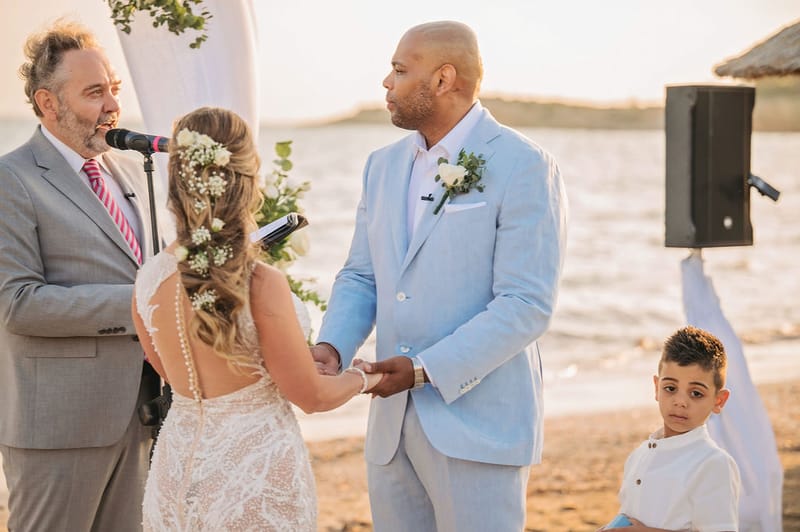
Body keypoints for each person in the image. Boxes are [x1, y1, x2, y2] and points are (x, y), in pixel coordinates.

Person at [312, 20, 568, 530]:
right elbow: (363, 275)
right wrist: (332, 349)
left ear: (443, 79)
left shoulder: (523, 165)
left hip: (480, 427)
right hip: (390, 428)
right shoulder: (380, 166)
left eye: (400, 70)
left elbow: (526, 304)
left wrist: (425, 369)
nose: (386, 82)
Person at [131, 106, 383, 530]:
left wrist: (288, 359)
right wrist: (366, 377)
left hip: (175, 476)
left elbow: (172, 372)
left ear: (178, 179)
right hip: (253, 479)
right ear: (247, 180)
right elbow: (313, 396)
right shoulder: (259, 281)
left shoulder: (150, 277)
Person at [0, 19, 167, 531]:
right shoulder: (11, 179)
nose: (113, 105)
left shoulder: (122, 170)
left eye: (113, 89)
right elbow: (18, 302)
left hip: (142, 412)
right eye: (95, 92)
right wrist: (145, 302)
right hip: (58, 426)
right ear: (48, 103)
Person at [600, 326, 741, 531]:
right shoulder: (638, 455)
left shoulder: (714, 465)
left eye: (696, 393)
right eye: (670, 389)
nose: (680, 402)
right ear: (657, 388)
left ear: (719, 400)